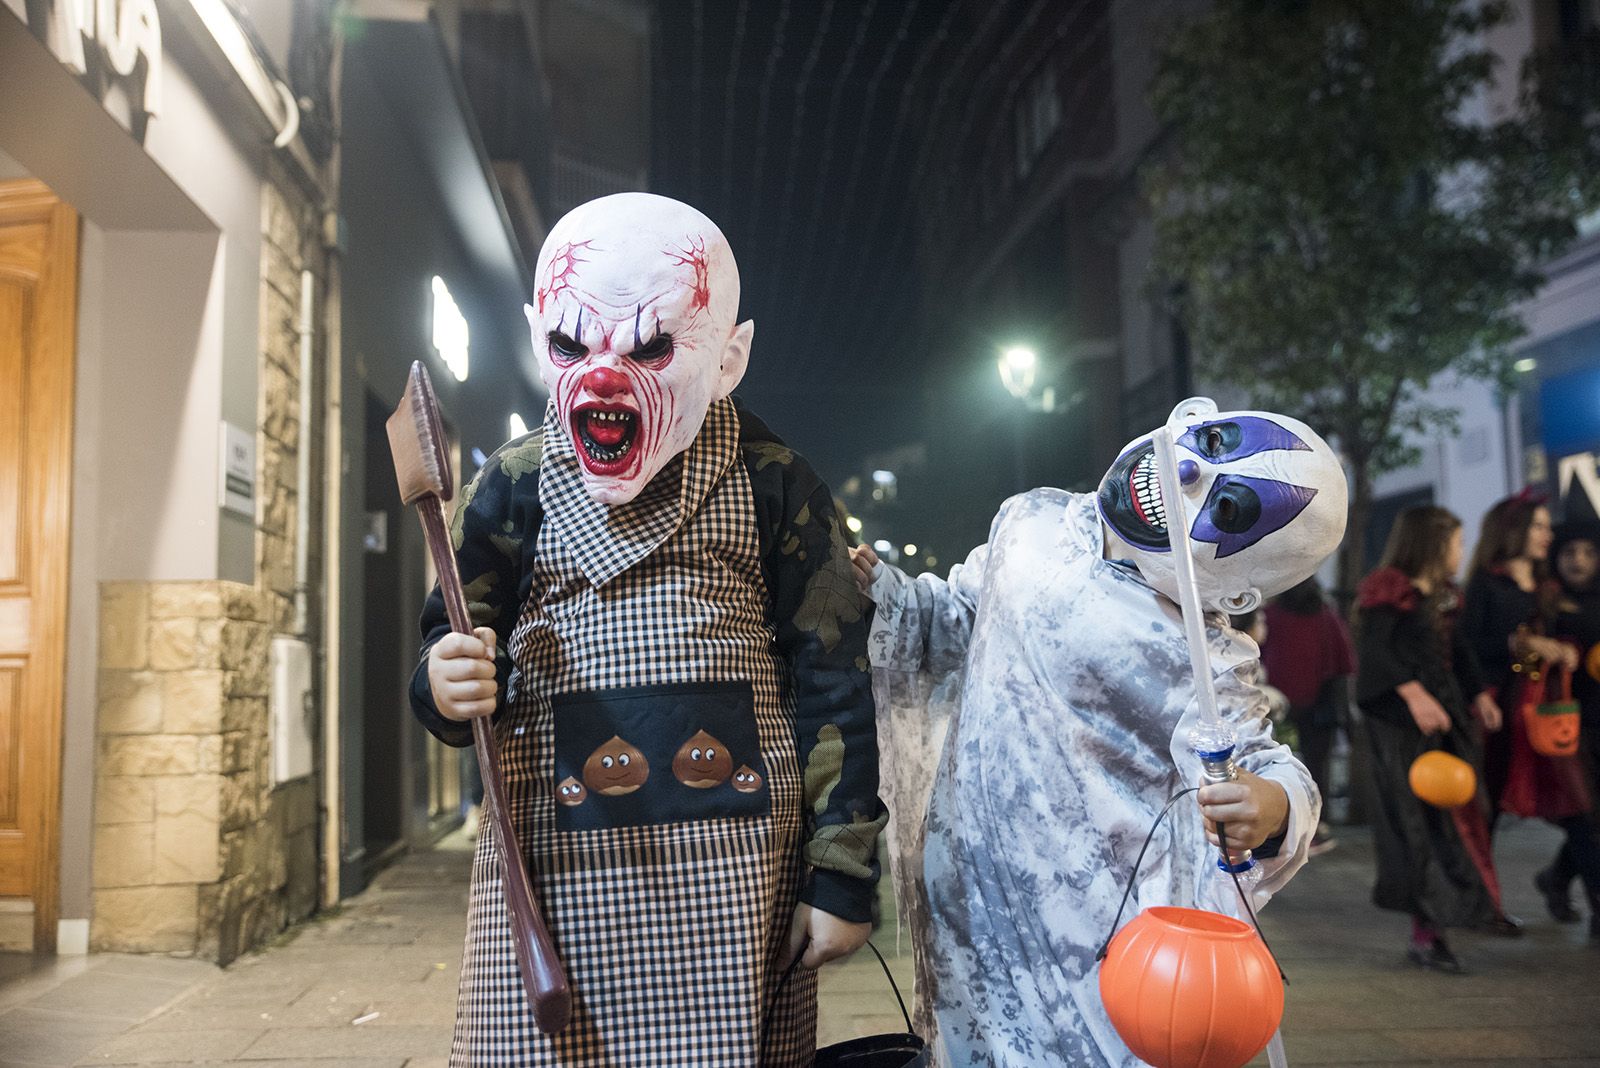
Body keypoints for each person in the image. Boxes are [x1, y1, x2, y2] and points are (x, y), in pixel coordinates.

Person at [409, 193, 886, 1066]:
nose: (600, 380)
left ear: (730, 356)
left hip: (735, 885)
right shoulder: (510, 487)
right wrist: (446, 682)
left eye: (652, 347)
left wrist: (843, 871)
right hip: (554, 876)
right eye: (568, 345)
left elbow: (833, 683)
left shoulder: (776, 481)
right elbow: (451, 649)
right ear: (534, 336)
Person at [855, 398, 1344, 1066]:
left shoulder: (1194, 654)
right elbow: (964, 618)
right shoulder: (1031, 522)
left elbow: (1258, 755)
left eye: (1228, 509)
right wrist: (889, 595)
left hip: (1091, 937)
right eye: (1217, 440)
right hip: (970, 902)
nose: (1192, 470)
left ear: (1238, 583)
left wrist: (1276, 805)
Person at [1353, 506, 1499, 972]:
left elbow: (1459, 653)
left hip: (1446, 721)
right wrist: (1414, 694)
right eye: (1455, 542)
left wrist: (1479, 696)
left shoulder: (1443, 596)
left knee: (1460, 819)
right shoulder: (1389, 591)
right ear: (1432, 544)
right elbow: (1374, 654)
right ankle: (1427, 933)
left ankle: (1468, 909)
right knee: (1417, 829)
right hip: (1401, 729)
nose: (1460, 550)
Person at [1461, 494, 1592, 936]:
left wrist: (1564, 651)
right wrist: (1518, 649)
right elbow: (1467, 649)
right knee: (1487, 809)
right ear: (1514, 530)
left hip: (1544, 711)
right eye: (1538, 526)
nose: (1547, 535)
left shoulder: (1546, 584)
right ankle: (1481, 906)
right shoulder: (1485, 582)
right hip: (1498, 712)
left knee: (1577, 804)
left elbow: (1564, 637)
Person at [1537, 519, 1600, 936]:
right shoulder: (1547, 602)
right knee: (1585, 815)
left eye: (1588, 552)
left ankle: (1556, 877)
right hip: (1569, 724)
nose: (1578, 561)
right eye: (1569, 553)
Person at [1263, 575, 1356, 855]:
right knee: (1317, 768)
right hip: (1318, 705)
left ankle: (1277, 827)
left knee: (1273, 765)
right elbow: (1345, 661)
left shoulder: (1270, 616)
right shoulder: (1326, 617)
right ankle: (1316, 826)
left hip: (1275, 704)